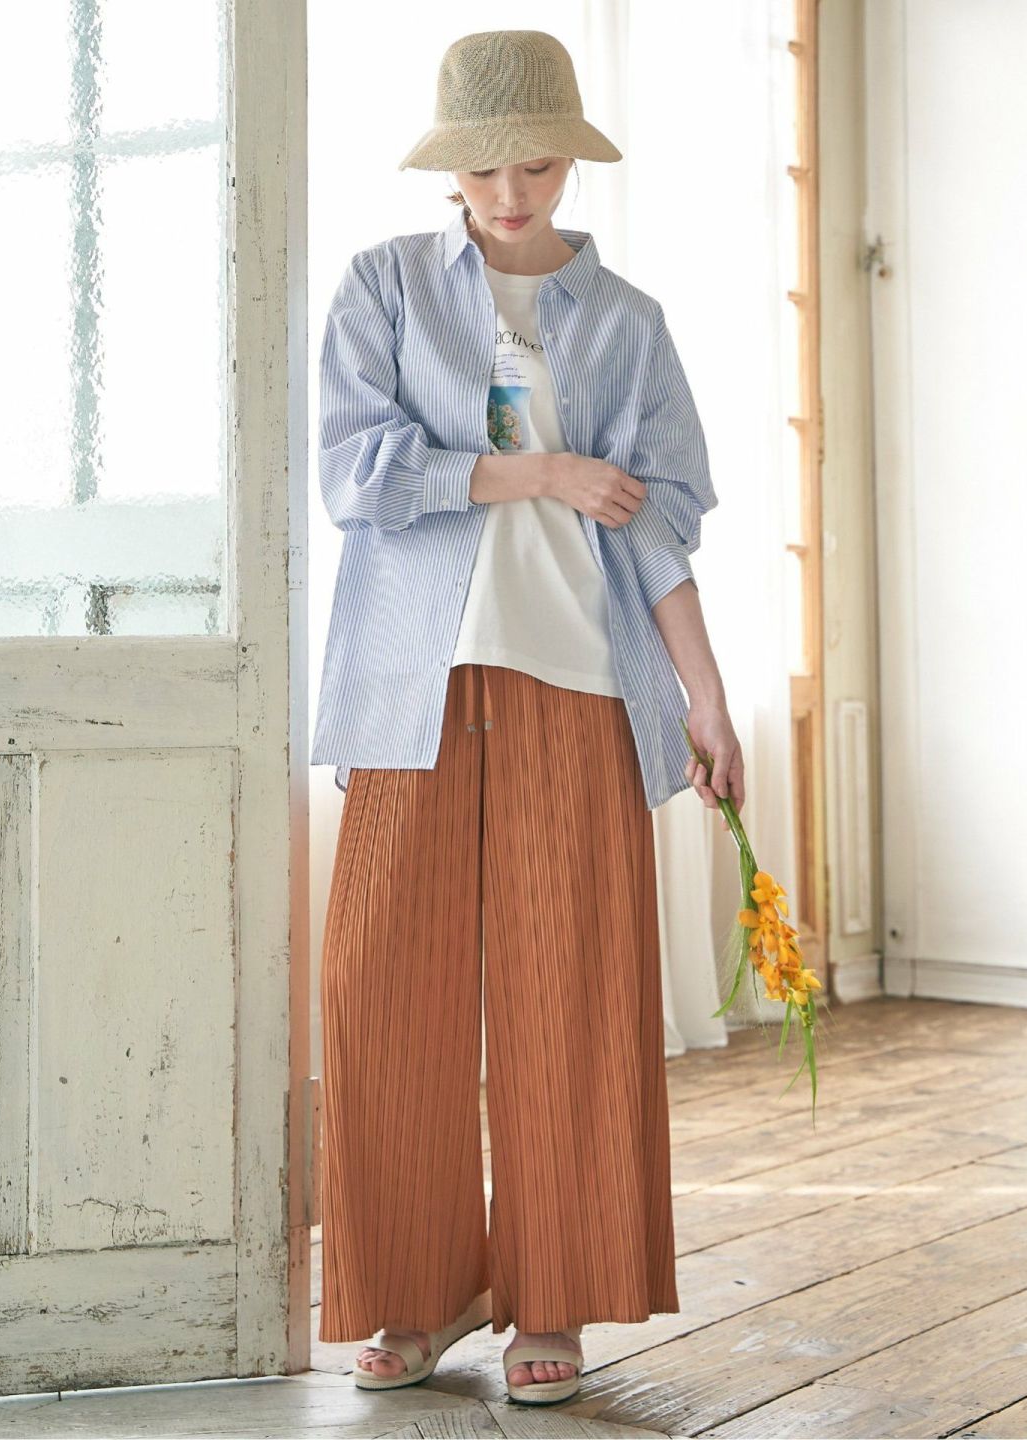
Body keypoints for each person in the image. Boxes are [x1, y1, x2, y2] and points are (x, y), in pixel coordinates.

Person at [311, 29, 745, 1406]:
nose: (512, 193)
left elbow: (660, 525)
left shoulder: (630, 323)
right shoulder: (384, 287)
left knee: (573, 998)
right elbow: (356, 474)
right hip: (411, 691)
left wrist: (707, 696)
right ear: (451, 167)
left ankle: (549, 1294)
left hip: (580, 684)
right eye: (488, 167)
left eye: (539, 165)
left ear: (571, 162)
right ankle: (417, 1290)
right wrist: (541, 470)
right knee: (382, 990)